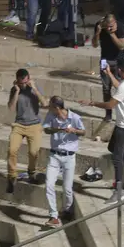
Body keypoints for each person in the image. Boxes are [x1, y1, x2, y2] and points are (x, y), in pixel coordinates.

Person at [80, 58, 124, 204]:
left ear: (119, 70)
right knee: (112, 147)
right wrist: (109, 74)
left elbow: (110, 105)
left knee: (117, 157)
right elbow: (119, 86)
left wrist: (91, 103)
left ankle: (119, 191)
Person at [42, 96, 85, 227]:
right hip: (54, 155)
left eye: (50, 106)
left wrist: (74, 131)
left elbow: (83, 132)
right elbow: (46, 129)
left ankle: (68, 210)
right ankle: (53, 216)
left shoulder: (74, 117)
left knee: (67, 188)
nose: (48, 108)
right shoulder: (51, 116)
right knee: (49, 184)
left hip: (69, 156)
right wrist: (60, 129)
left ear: (57, 107)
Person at [6, 69, 47, 193]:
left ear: (29, 79)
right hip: (19, 125)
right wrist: (17, 92)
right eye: (21, 82)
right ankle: (12, 177)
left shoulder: (35, 88)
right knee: (12, 150)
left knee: (34, 152)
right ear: (17, 81)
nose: (24, 84)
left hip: (34, 125)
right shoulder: (15, 90)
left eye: (25, 82)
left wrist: (34, 89)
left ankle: (31, 172)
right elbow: (11, 108)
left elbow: (44, 103)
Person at [92, 14, 124, 121]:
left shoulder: (120, 27)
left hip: (118, 60)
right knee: (106, 88)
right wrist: (98, 33)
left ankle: (122, 113)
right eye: (107, 26)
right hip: (105, 60)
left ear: (115, 22)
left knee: (121, 88)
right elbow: (94, 45)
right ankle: (108, 113)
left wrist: (112, 34)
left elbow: (121, 46)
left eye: (111, 26)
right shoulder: (99, 26)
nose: (108, 28)